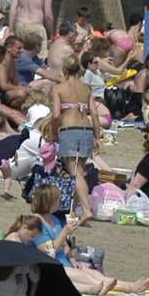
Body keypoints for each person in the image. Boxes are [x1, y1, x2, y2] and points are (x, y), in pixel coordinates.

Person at [51, 55, 96, 220]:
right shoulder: (86, 88)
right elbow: (95, 114)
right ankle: (74, 211)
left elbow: (56, 115)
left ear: (64, 69)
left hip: (69, 130)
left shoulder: (58, 88)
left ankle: (85, 209)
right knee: (80, 172)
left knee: (75, 173)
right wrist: (97, 136)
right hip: (86, 129)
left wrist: (53, 132)